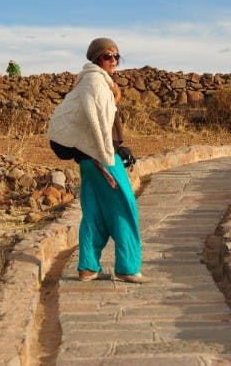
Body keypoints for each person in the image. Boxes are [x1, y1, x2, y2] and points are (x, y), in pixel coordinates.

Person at [47, 38, 148, 284]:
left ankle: (88, 267)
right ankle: (128, 267)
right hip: (99, 156)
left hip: (88, 157)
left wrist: (116, 96)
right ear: (95, 59)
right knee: (124, 207)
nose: (113, 60)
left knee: (95, 213)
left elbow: (102, 114)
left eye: (117, 56)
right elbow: (98, 122)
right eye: (107, 56)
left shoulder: (94, 81)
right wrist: (107, 157)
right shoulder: (95, 82)